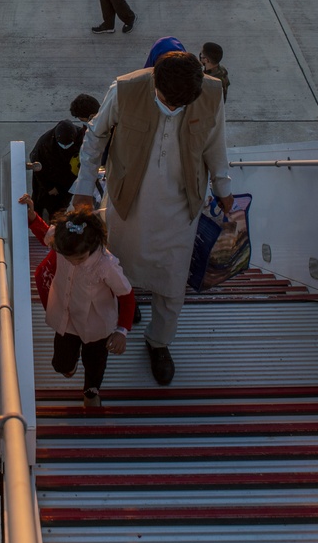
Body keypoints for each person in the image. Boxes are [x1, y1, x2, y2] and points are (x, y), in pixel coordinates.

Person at [71, 50, 235, 386]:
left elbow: (215, 145)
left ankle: (158, 342)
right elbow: (94, 138)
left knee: (173, 283)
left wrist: (223, 186)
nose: (173, 109)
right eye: (167, 102)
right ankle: (117, 316)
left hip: (181, 209)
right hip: (126, 205)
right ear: (154, 82)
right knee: (113, 269)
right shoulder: (124, 91)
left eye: (180, 105)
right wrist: (83, 187)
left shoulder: (211, 93)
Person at [21, 194, 134, 411]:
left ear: (92, 245)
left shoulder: (105, 264)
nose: (73, 261)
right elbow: (45, 233)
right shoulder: (64, 242)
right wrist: (32, 216)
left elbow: (126, 295)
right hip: (66, 318)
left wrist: (122, 330)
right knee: (61, 364)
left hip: (97, 325)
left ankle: (91, 391)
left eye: (79, 259)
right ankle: (68, 365)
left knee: (95, 363)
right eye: (67, 257)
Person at [29, 119, 84, 219]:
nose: (65, 148)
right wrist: (48, 187)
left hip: (72, 182)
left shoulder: (82, 137)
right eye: (63, 144)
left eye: (69, 144)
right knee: (48, 207)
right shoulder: (45, 143)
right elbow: (36, 167)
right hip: (51, 183)